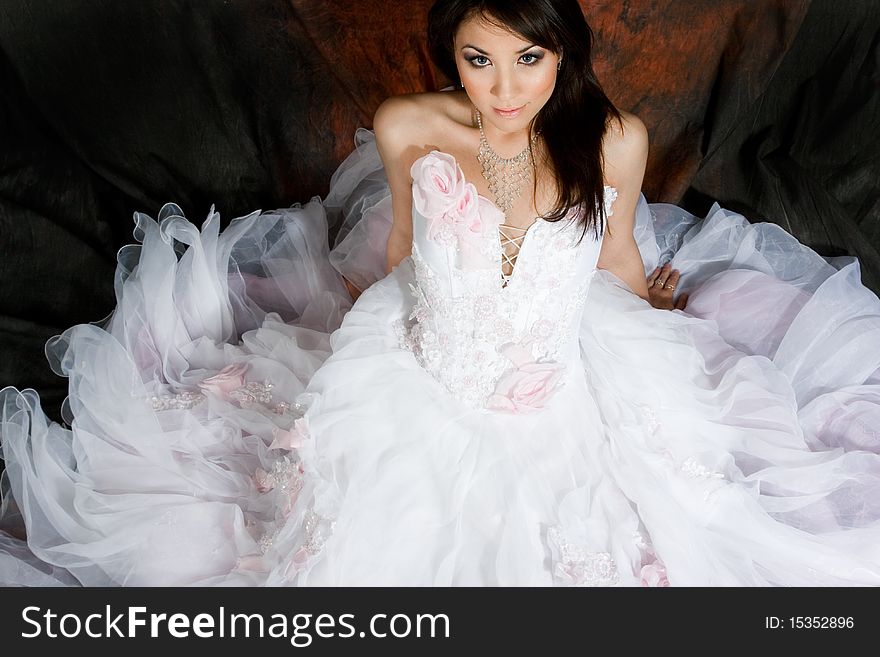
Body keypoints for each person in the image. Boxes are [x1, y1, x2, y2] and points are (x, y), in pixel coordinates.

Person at [1, 0, 880, 587]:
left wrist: (649, 310)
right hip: (426, 361)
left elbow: (614, 252)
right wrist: (361, 329)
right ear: (451, 55)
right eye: (479, 59)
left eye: (529, 58)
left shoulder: (614, 140)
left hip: (559, 374)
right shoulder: (410, 126)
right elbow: (406, 243)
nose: (504, 89)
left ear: (562, 51)